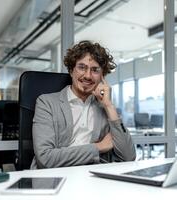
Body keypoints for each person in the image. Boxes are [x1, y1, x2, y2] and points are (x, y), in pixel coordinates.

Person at [31, 41, 136, 169]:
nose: (87, 75)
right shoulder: (47, 103)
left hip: (92, 179)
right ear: (71, 71)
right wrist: (99, 147)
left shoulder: (104, 108)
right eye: (82, 67)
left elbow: (128, 156)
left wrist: (109, 106)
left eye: (95, 70)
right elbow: (45, 158)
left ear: (102, 77)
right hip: (54, 179)